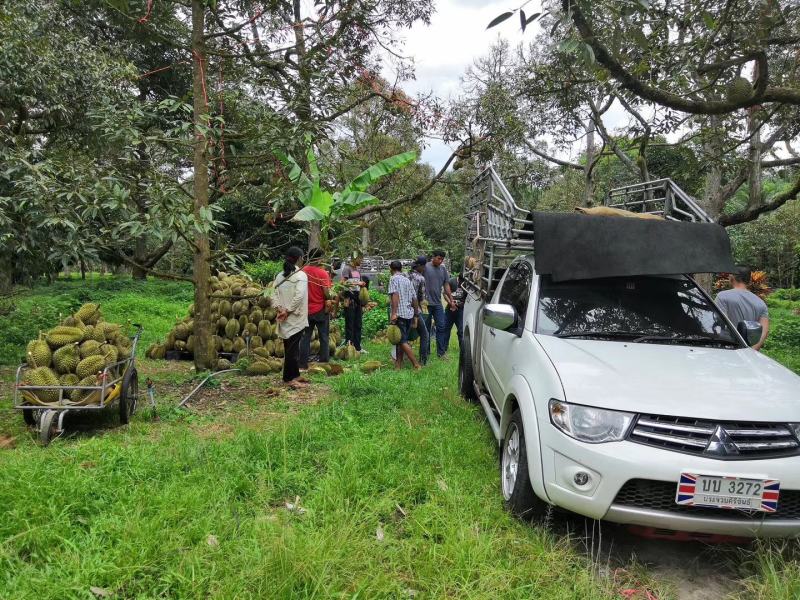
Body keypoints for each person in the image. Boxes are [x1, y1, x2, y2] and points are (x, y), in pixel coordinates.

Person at [273, 246, 308, 387]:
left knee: (291, 347)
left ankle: (295, 374)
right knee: (292, 349)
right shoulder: (301, 275)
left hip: (284, 316)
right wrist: (287, 310)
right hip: (295, 316)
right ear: (299, 259)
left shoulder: (279, 276)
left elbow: (272, 293)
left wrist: (280, 309)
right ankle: (289, 378)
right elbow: (299, 296)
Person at [716, 266, 770, 350]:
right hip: (748, 352)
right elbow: (764, 331)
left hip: (726, 349)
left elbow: (720, 324)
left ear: (732, 277)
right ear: (749, 280)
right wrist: (752, 351)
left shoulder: (722, 296)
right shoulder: (761, 303)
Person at [299, 248, 331, 369]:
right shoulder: (322, 273)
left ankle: (302, 363)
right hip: (320, 310)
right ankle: (324, 361)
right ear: (318, 259)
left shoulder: (302, 272)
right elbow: (326, 293)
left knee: (305, 337)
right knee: (324, 336)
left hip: (306, 309)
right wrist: (329, 298)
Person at [388, 260, 421, 370]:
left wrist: (393, 313)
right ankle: (398, 365)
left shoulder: (393, 279)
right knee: (400, 341)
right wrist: (415, 315)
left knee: (402, 341)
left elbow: (395, 296)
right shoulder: (407, 280)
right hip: (408, 313)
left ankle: (416, 364)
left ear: (391, 269)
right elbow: (414, 298)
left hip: (400, 314)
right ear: (401, 268)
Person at [423, 249, 455, 358]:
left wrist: (451, 300)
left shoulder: (443, 270)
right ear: (433, 257)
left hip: (437, 304)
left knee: (441, 327)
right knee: (426, 329)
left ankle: (441, 353)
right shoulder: (425, 267)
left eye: (442, 259)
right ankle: (425, 353)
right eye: (439, 258)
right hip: (426, 303)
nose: (440, 261)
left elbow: (446, 286)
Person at [407, 256, 430, 365]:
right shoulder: (420, 278)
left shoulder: (406, 275)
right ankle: (423, 360)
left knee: (404, 335)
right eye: (424, 266)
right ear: (420, 266)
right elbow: (421, 297)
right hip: (414, 309)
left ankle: (399, 359)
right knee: (424, 334)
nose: (424, 268)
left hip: (403, 308)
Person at [340, 255, 365, 352]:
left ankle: (358, 347)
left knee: (358, 323)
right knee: (350, 324)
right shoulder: (347, 269)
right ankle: (349, 346)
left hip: (357, 298)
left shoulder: (358, 270)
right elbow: (342, 283)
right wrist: (357, 284)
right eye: (360, 259)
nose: (361, 261)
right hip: (349, 299)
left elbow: (359, 283)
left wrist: (361, 284)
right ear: (354, 259)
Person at [443, 272, 466, 353]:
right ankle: (444, 349)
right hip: (450, 309)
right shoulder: (451, 281)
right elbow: (445, 294)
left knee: (461, 330)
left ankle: (462, 350)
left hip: (461, 310)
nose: (461, 283)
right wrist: (451, 303)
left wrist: (461, 304)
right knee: (446, 329)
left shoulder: (467, 284)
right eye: (460, 281)